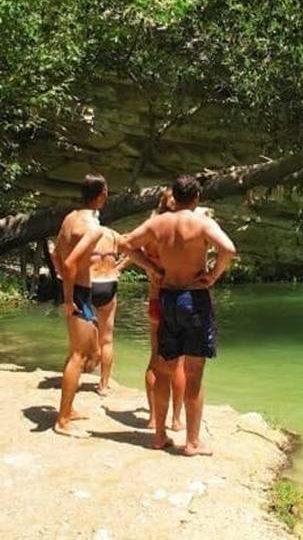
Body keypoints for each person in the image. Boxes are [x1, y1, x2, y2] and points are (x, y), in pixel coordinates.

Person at [120, 174, 236, 455]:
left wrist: (152, 268)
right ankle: (192, 442)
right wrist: (212, 276)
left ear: (174, 195)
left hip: (167, 296)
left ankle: (159, 435)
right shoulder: (202, 222)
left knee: (163, 368)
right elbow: (229, 249)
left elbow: (125, 244)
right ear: (196, 198)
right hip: (194, 298)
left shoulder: (157, 223)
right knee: (193, 373)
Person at [51, 174, 159, 438]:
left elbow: (57, 255)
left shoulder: (69, 218)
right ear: (102, 195)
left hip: (81, 290)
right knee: (79, 356)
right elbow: (68, 264)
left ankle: (69, 409)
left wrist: (151, 268)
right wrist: (68, 299)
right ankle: (62, 420)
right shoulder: (93, 227)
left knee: (78, 353)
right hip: (80, 292)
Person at [127, 189, 185, 432]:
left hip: (155, 299)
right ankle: (175, 420)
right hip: (178, 298)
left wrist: (151, 267)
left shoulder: (151, 227)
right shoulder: (182, 227)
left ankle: (153, 418)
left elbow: (126, 245)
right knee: (178, 364)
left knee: (155, 359)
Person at [88, 226, 123, 396]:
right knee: (107, 339)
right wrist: (119, 266)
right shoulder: (113, 235)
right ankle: (103, 385)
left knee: (82, 338)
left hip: (89, 283)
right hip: (108, 282)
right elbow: (137, 248)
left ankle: (80, 372)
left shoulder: (84, 233)